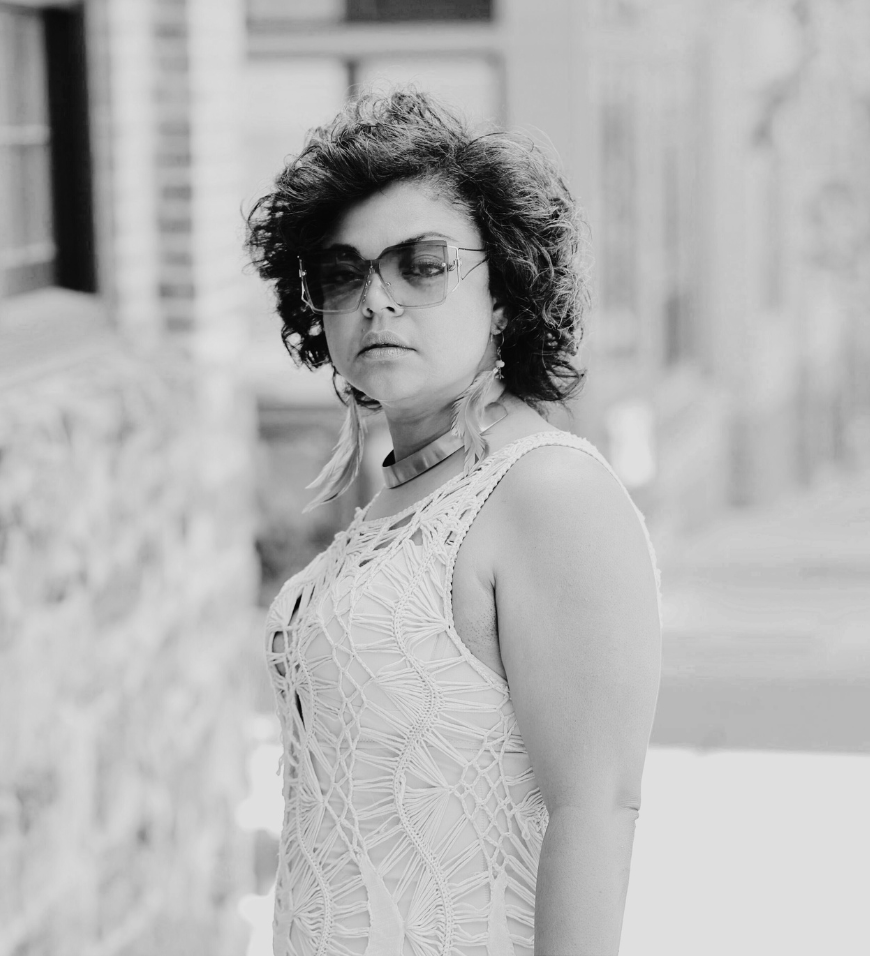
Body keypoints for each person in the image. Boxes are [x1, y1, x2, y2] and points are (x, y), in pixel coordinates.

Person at [246, 87, 662, 956]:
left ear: (505, 289)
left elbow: (596, 808)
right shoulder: (407, 488)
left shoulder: (548, 494)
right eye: (342, 272)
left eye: (421, 265)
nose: (377, 299)